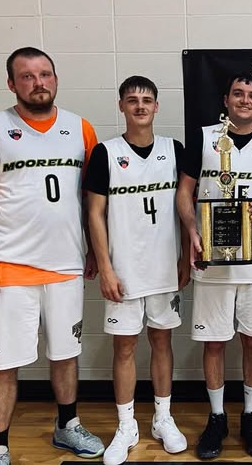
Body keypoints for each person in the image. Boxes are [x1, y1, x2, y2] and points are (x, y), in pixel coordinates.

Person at [0, 47, 105, 464]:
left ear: (55, 79)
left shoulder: (81, 129)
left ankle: (67, 426)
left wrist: (94, 250)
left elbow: (91, 200)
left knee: (66, 354)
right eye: (27, 76)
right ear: (11, 84)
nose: (38, 83)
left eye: (45, 74)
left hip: (66, 265)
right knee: (4, 363)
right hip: (8, 267)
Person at [176, 72, 252, 459]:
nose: (244, 100)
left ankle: (250, 415)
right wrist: (192, 230)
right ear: (226, 100)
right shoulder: (204, 138)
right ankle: (217, 416)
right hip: (212, 261)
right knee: (214, 341)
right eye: (238, 94)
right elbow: (184, 192)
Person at [84, 76, 188, 464]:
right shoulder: (105, 153)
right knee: (125, 346)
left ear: (157, 106)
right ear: (121, 106)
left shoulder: (174, 150)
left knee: (162, 340)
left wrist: (184, 258)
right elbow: (95, 213)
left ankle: (163, 418)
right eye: (132, 100)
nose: (140, 106)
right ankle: (126, 425)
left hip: (164, 267)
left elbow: (184, 208)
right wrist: (106, 268)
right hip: (124, 269)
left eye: (147, 100)